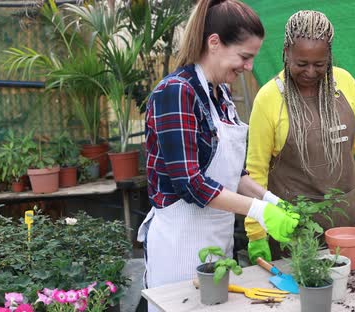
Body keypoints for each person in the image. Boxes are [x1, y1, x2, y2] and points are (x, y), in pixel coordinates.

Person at [137, 1, 299, 308]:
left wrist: (273, 202)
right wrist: (259, 212)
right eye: (244, 56)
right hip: (180, 248)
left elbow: (230, 174)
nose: (248, 66)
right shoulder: (177, 93)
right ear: (214, 43)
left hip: (218, 241)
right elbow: (190, 184)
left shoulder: (220, 95)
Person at [244, 10, 355, 263]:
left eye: (320, 64)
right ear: (286, 53)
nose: (311, 72)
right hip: (295, 235)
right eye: (301, 64)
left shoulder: (344, 83)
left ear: (329, 57)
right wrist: (256, 233)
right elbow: (255, 173)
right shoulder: (269, 99)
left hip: (351, 227)